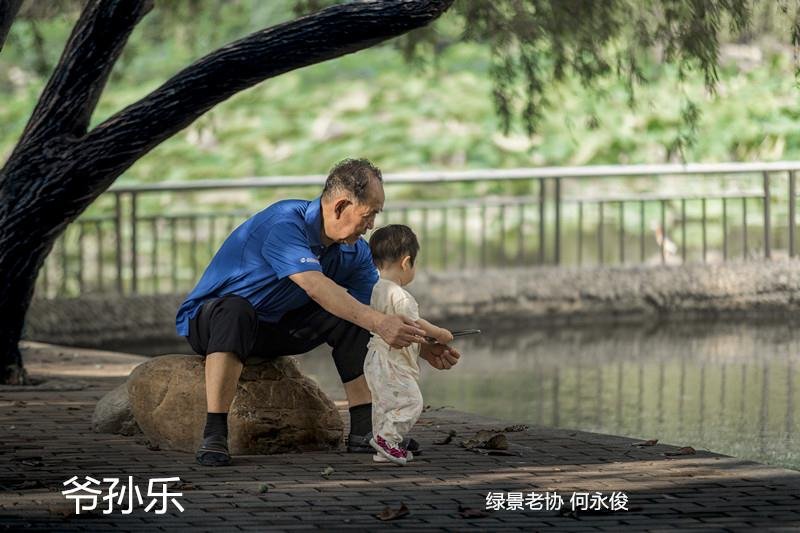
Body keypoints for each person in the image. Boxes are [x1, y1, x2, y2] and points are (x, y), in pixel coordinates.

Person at [175, 158, 461, 466]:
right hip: (214, 325)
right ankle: (215, 434)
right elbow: (316, 286)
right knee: (236, 309)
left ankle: (364, 431)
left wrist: (421, 345)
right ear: (341, 206)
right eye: (370, 214)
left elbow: (376, 307)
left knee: (358, 313)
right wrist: (379, 322)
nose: (372, 225)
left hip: (275, 330)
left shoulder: (355, 251)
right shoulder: (285, 224)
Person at [364, 224, 454, 465]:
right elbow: (415, 325)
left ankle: (384, 448)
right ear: (406, 262)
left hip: (375, 358)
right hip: (393, 361)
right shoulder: (400, 295)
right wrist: (440, 333)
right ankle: (387, 439)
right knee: (411, 402)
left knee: (383, 405)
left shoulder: (377, 289)